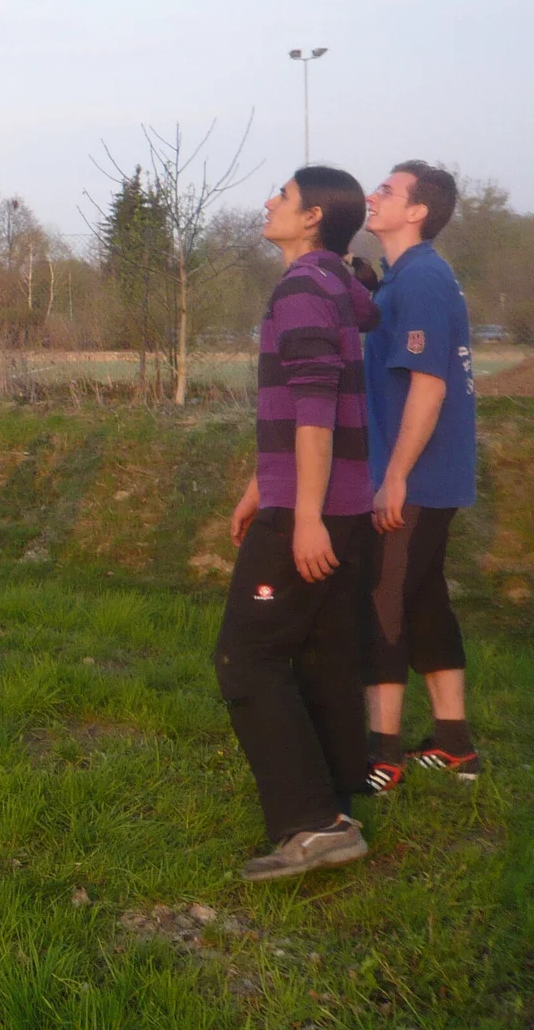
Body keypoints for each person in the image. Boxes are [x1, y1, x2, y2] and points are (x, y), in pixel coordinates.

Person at [217, 168, 380, 882]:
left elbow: (316, 409)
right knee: (320, 651)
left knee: (245, 657)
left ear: (312, 216)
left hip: (311, 511)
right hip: (335, 502)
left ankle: (315, 825)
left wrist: (301, 514)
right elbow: (311, 404)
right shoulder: (337, 288)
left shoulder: (302, 289)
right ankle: (338, 794)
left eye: (280, 197)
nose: (267, 204)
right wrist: (262, 484)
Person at [358, 162, 479, 794]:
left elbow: (429, 388)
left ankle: (381, 755)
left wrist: (395, 477)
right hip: (426, 474)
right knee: (424, 598)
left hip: (418, 477)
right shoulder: (404, 277)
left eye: (386, 191)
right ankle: (454, 743)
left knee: (384, 597)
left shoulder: (425, 279)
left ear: (417, 212)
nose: (372, 196)